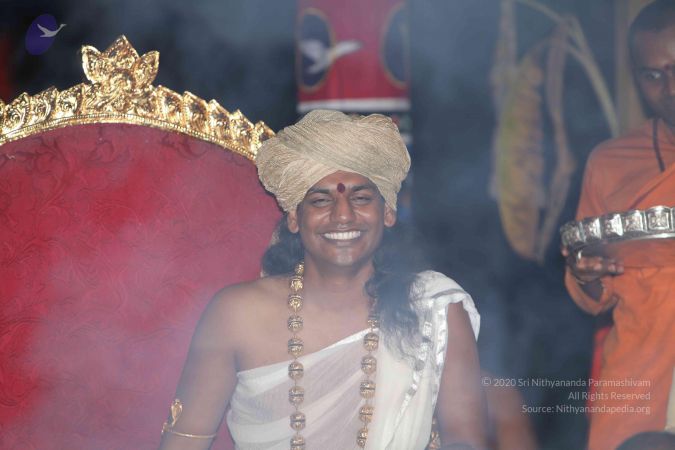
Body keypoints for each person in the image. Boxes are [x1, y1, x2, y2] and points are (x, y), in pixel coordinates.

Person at [158, 110, 487, 449]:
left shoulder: (434, 308)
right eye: (320, 200)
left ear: (387, 212)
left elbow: (465, 442)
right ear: (294, 218)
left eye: (361, 198)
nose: (342, 215)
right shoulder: (236, 314)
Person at [563, 2, 675, 449]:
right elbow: (595, 296)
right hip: (639, 376)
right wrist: (586, 274)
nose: (670, 88)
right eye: (653, 75)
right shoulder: (611, 162)